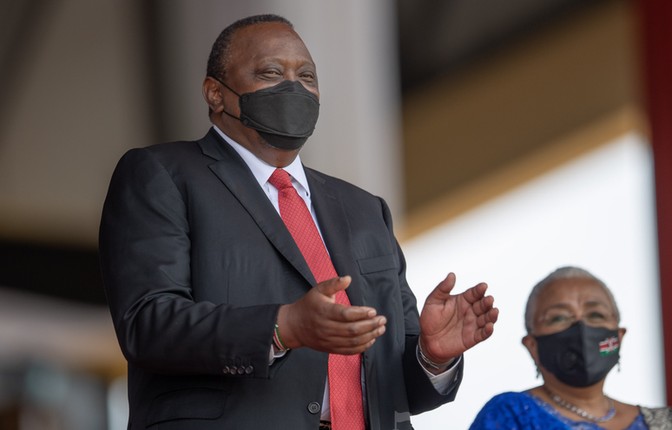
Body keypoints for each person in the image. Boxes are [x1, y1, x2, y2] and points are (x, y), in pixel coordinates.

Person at [99, 13, 498, 430]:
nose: (294, 87)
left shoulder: (365, 209)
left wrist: (432, 355)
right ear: (215, 93)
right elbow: (148, 324)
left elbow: (399, 391)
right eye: (271, 72)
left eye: (307, 76)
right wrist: (282, 327)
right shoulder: (162, 175)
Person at [469, 266, 672, 430]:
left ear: (618, 336)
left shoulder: (669, 423)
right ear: (533, 346)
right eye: (558, 318)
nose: (581, 326)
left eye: (596, 314)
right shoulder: (509, 415)